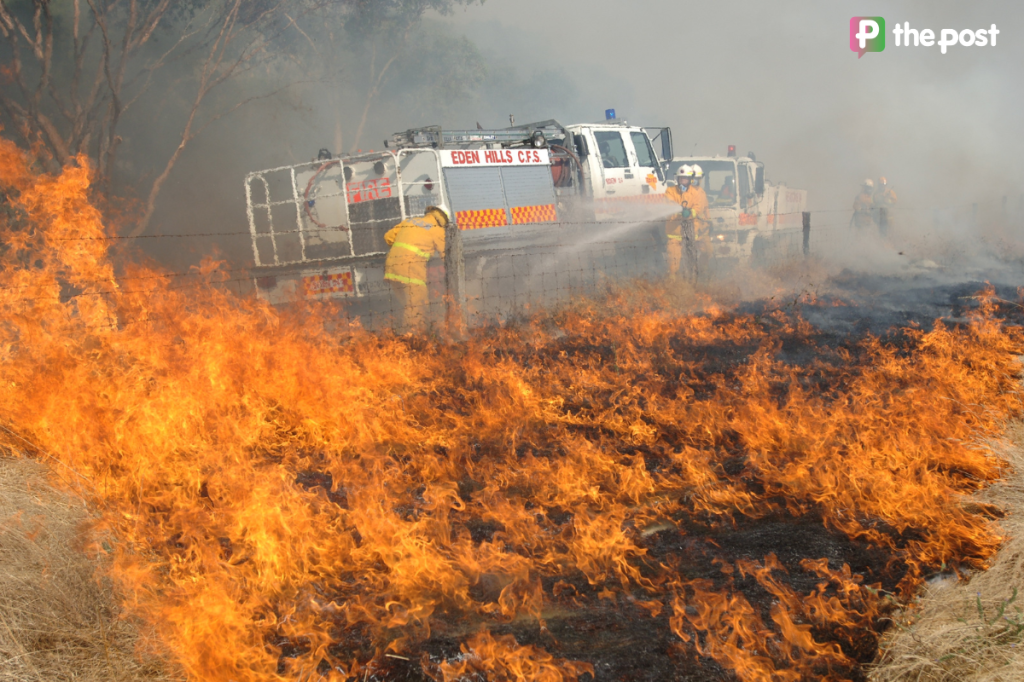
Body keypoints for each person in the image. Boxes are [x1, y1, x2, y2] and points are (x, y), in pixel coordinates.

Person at [384, 205, 448, 330]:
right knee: (418, 305)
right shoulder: (437, 229)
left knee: (408, 305)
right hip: (411, 269)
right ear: (443, 219)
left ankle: (402, 334)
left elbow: (388, 237)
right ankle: (412, 337)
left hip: (391, 267)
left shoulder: (409, 221)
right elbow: (446, 255)